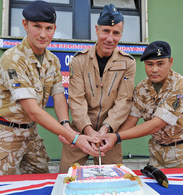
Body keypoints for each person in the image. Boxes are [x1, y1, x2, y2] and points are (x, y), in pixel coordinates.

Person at [0, 1, 100, 176]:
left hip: (31, 133)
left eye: (48, 28)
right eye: (37, 26)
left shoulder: (52, 60)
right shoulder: (13, 60)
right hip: (5, 135)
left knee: (40, 179)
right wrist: (74, 137)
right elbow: (33, 110)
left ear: (54, 28)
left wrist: (66, 125)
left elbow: (59, 95)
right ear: (25, 25)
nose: (43, 34)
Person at [100, 41, 183, 168]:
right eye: (149, 64)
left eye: (160, 64)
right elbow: (131, 120)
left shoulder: (181, 86)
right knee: (153, 186)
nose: (154, 69)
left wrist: (116, 137)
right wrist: (107, 138)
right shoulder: (141, 88)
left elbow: (156, 124)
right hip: (156, 153)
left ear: (170, 62)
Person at [58, 4, 136, 173]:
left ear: (121, 34)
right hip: (80, 131)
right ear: (97, 30)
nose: (110, 38)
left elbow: (124, 101)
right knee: (67, 176)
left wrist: (106, 129)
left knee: (112, 179)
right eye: (106, 31)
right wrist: (88, 129)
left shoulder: (128, 63)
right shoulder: (79, 60)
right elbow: (76, 100)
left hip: (109, 135)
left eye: (116, 33)